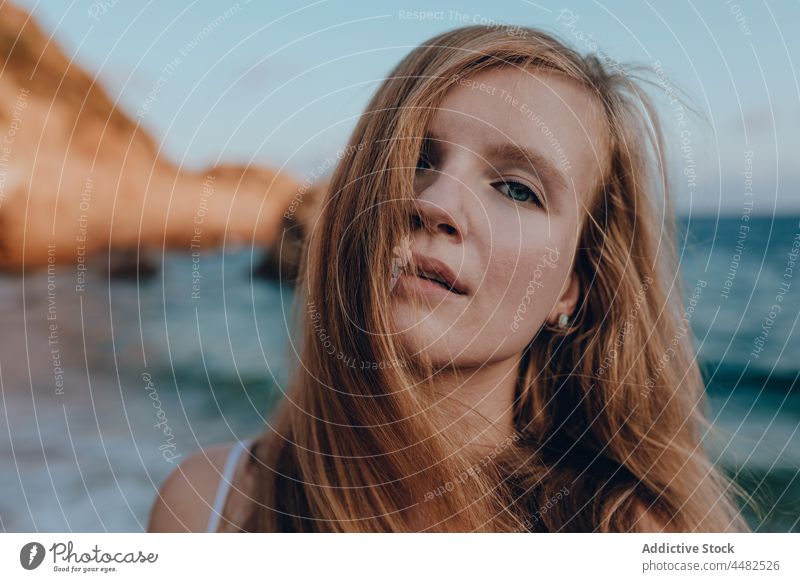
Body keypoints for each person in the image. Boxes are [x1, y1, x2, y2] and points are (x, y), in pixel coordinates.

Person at [148, 24, 748, 533]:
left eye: (518, 189)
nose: (434, 202)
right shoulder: (205, 505)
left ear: (573, 286)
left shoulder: (630, 533)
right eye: (414, 159)